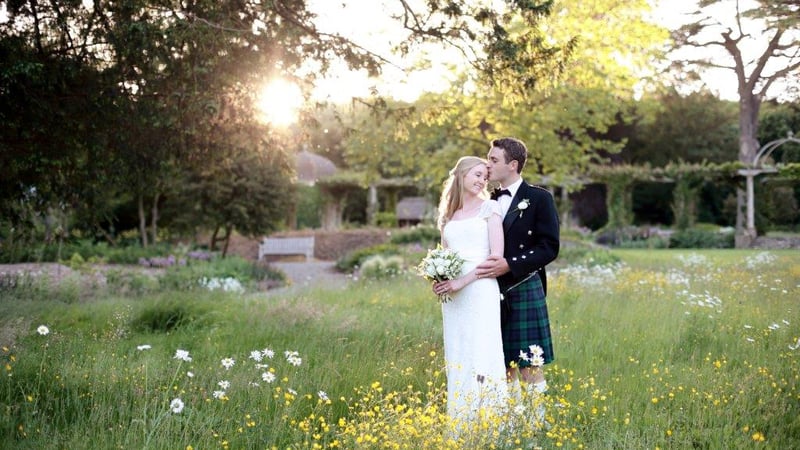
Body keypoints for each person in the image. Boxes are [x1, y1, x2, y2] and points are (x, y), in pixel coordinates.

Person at [475, 137, 560, 423]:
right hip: (490, 290)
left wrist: (510, 265)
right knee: (502, 361)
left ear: (513, 165)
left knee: (529, 363)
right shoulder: (486, 201)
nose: (487, 164)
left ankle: (536, 422)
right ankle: (512, 421)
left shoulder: (539, 198)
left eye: (493, 159)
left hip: (523, 285)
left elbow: (549, 247)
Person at [431, 156, 508, 429]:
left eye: (485, 177)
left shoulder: (490, 208)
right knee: (459, 352)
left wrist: (462, 281)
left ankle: (491, 424)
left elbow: (495, 258)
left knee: (481, 350)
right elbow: (445, 256)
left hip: (480, 290)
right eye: (477, 175)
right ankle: (461, 424)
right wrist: (438, 278)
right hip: (454, 298)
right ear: (462, 174)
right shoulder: (448, 215)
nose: (481, 181)